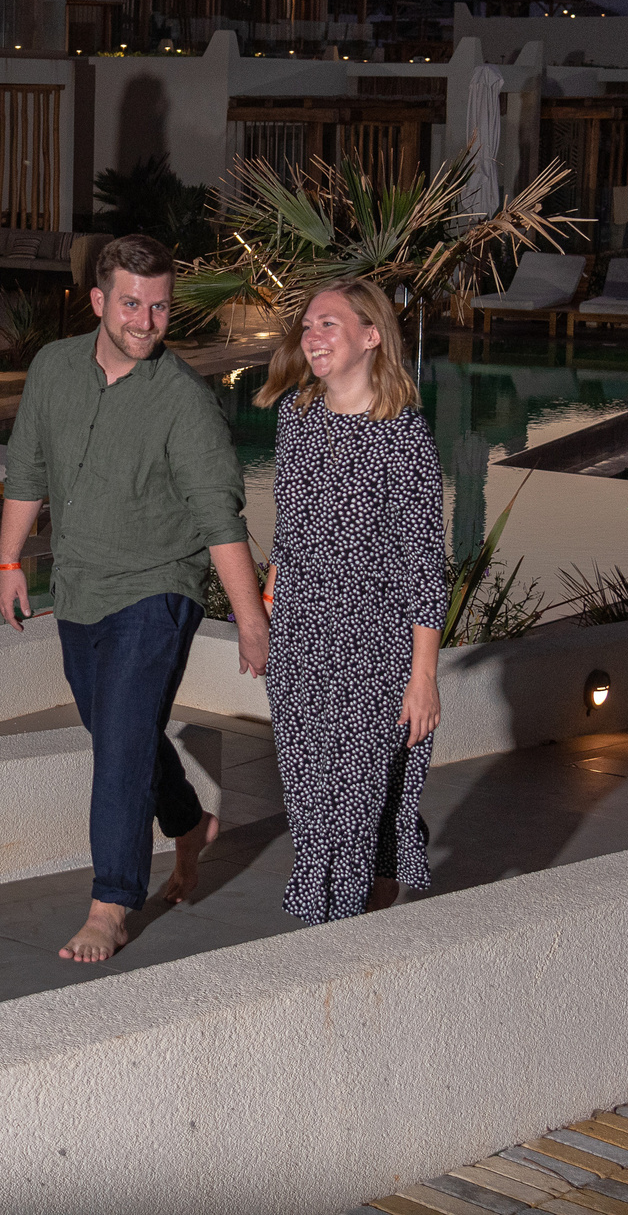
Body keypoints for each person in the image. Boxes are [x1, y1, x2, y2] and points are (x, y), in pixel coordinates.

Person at [0, 233, 267, 963]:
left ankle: (112, 901)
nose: (147, 320)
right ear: (97, 301)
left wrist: (250, 620)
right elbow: (27, 465)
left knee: (118, 738)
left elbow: (218, 517)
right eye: (131, 304)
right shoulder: (54, 368)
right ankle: (186, 818)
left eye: (159, 306)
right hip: (81, 585)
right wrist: (9, 559)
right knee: (117, 725)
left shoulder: (184, 401)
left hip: (158, 586)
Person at [254, 277, 445, 925]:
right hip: (300, 647)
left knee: (352, 808)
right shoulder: (295, 420)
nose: (312, 335)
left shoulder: (404, 439)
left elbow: (425, 567)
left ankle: (336, 933)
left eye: (328, 323)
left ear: (371, 335)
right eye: (308, 325)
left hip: (374, 653)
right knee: (310, 807)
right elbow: (288, 530)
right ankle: (336, 912)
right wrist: (266, 614)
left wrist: (422, 678)